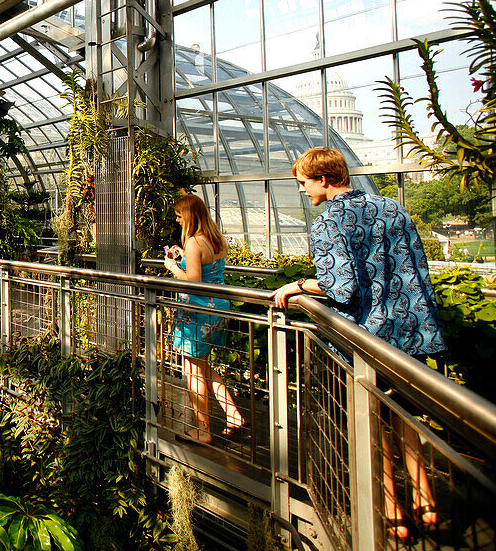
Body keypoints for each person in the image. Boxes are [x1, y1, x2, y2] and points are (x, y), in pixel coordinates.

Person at [271, 147, 445, 542]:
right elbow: (418, 271)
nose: (302, 190)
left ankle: (392, 511)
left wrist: (297, 285)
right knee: (408, 418)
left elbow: (340, 287)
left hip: (366, 340)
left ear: (325, 179)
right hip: (410, 335)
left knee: (372, 423)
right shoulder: (393, 208)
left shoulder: (329, 221)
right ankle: (427, 501)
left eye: (303, 183)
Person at [164, 194, 246, 444]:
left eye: (179, 215)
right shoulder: (216, 238)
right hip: (217, 309)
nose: (177, 220)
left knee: (192, 371)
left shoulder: (193, 242)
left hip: (197, 312)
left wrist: (175, 268)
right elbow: (207, 268)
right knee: (203, 366)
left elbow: (194, 282)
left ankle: (203, 430)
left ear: (189, 216)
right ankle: (234, 416)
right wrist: (184, 254)